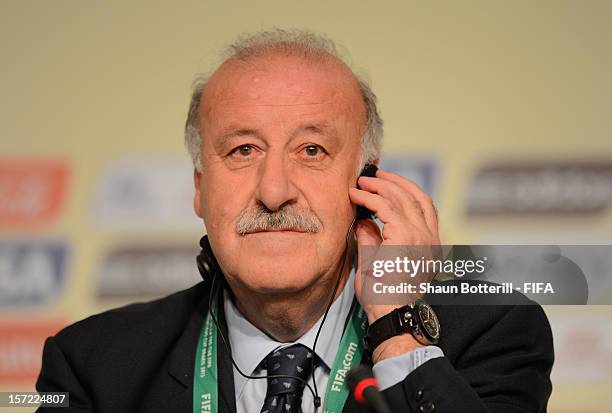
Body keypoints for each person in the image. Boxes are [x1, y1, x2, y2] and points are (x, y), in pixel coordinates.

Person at [36, 29, 553, 413]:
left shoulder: (493, 333)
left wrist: (398, 325)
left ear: (367, 184)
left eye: (311, 150)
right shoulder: (93, 366)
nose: (274, 191)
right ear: (199, 188)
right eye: (243, 150)